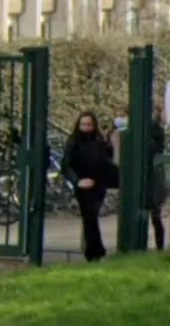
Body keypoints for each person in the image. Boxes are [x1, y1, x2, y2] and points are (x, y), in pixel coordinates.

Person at [61, 111, 117, 262]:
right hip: (83, 186)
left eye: (89, 125)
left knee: (92, 217)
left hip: (99, 185)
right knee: (89, 217)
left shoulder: (99, 141)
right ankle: (94, 252)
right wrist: (77, 181)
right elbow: (66, 165)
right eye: (83, 125)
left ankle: (94, 250)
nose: (86, 128)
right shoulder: (73, 142)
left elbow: (107, 161)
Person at [146, 105, 170, 250]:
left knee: (155, 215)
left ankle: (159, 246)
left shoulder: (156, 131)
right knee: (155, 216)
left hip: (153, 178)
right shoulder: (155, 130)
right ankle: (159, 247)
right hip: (153, 177)